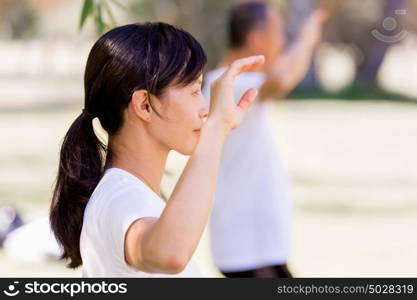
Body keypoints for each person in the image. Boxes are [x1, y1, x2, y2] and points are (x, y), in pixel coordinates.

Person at [49, 22, 264, 277]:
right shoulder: (121, 199)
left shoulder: (129, 195)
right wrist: (217, 128)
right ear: (145, 105)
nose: (205, 108)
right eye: (195, 90)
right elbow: (169, 255)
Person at [202, 1, 328, 278]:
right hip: (244, 244)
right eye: (278, 33)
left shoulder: (235, 84)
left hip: (258, 243)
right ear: (257, 38)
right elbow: (283, 78)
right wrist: (309, 33)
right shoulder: (226, 86)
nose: (282, 42)